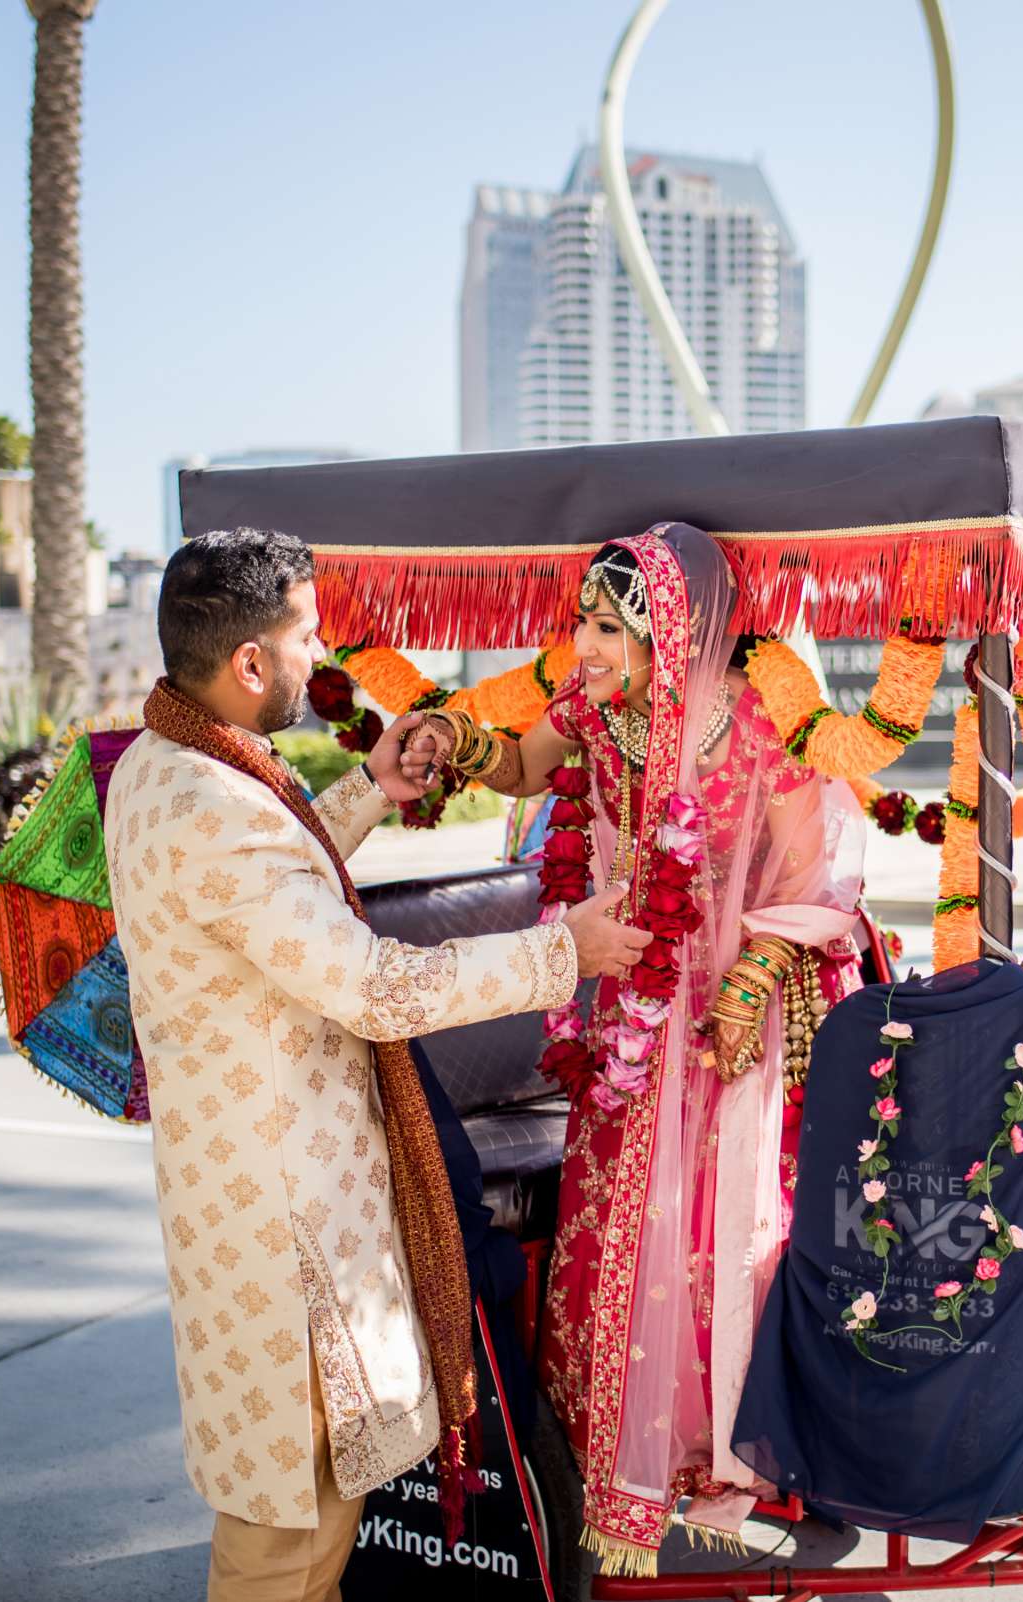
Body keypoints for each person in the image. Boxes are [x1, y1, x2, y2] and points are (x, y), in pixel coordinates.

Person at [104, 527, 648, 1602]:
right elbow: (369, 984)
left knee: (312, 1518)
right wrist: (561, 952)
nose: (319, 660)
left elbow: (283, 887)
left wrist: (368, 788)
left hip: (258, 1199)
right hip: (281, 1226)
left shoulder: (166, 763)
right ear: (250, 663)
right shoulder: (216, 808)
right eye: (305, 637)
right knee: (285, 1536)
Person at [406, 522, 868, 1574]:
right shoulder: (595, 714)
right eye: (583, 621)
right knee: (615, 1220)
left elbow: (815, 876)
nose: (589, 645)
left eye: (610, 625)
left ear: (675, 631)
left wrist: (749, 983)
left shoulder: (754, 724)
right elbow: (527, 761)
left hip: (724, 1032)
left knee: (718, 1230)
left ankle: (718, 1464)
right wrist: (452, 740)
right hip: (626, 1015)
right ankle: (607, 1459)